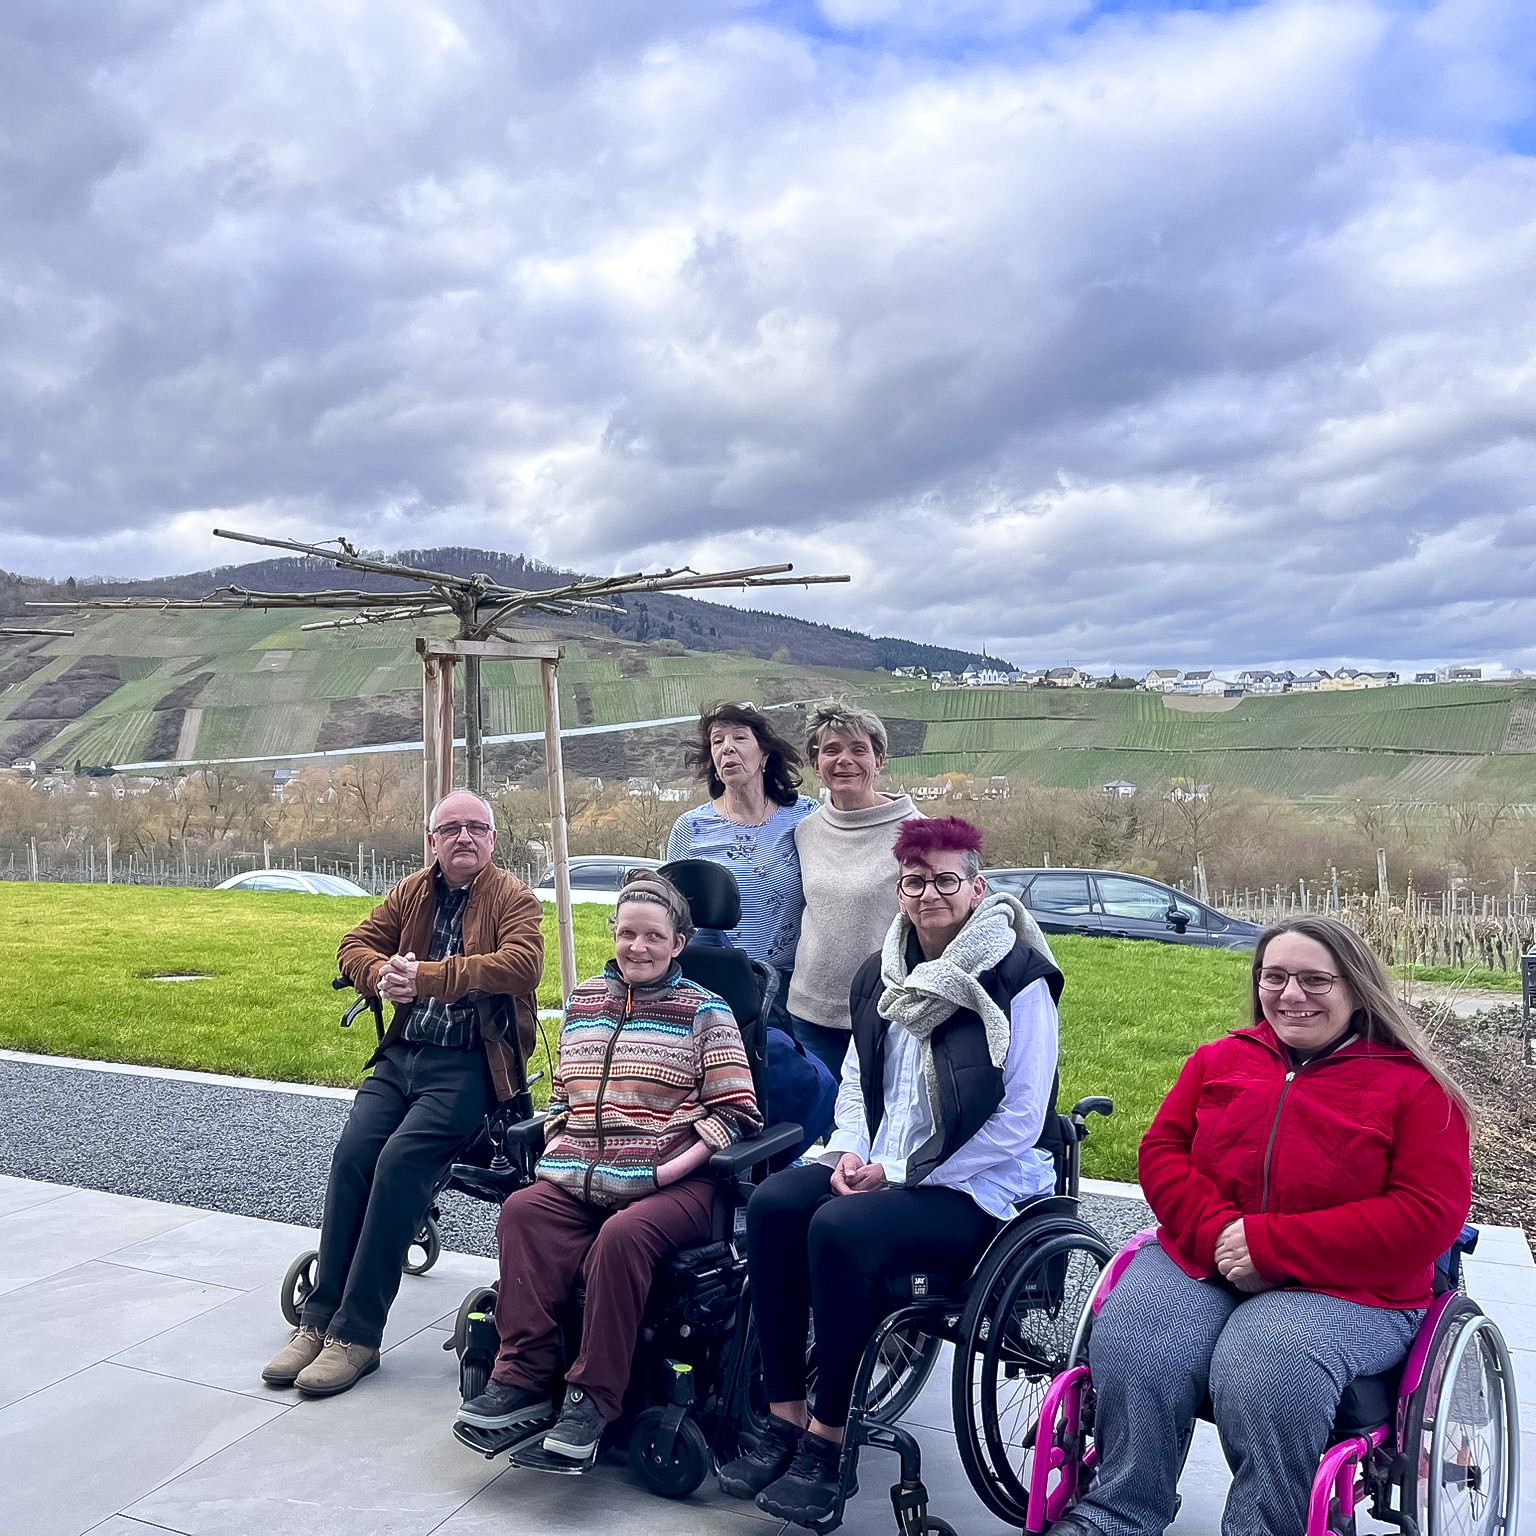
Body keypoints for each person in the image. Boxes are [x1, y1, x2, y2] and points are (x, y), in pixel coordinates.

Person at [1047, 914, 1474, 1536]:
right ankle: (1118, 1514)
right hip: (1207, 1253)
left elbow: (1426, 1214)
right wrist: (1222, 1235)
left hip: (1352, 1285)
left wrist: (1270, 1245)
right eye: (1274, 977)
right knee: (1138, 1341)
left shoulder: (1413, 1087)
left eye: (1314, 980)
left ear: (1356, 987)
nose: (1291, 995)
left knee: (1266, 1363)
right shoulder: (1222, 1060)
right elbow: (1163, 1152)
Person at [720, 816, 1063, 1525]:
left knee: (841, 1228)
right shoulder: (882, 975)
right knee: (779, 1203)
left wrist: (900, 1170)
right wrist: (847, 1149)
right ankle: (783, 1410)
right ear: (899, 889)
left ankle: (829, 1438)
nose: (928, 892)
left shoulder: (1019, 977)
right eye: (915, 880)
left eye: (945, 879)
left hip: (974, 1185)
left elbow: (1022, 1117)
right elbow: (857, 1082)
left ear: (977, 885)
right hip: (879, 1163)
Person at [454, 870, 762, 1466]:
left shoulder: (707, 1011)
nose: (637, 947)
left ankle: (593, 1399)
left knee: (622, 1238)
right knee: (522, 1212)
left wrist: (671, 1169)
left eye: (653, 936)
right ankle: (521, 1376)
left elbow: (736, 1112)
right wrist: (555, 1140)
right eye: (627, 934)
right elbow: (569, 1099)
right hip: (584, 1174)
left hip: (682, 1182)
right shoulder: (586, 1003)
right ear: (614, 936)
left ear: (679, 943)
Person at [261, 789, 544, 1398]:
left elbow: (522, 966)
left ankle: (357, 1335)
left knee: (398, 1165)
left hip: (472, 1065)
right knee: (353, 1156)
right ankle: (318, 1320)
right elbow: (354, 944)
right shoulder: (411, 891)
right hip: (402, 1055)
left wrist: (428, 977)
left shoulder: (513, 897)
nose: (464, 837)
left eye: (476, 828)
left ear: (492, 840)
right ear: (432, 841)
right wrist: (379, 973)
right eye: (451, 829)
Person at [787, 700, 923, 1080]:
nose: (844, 759)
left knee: (882, 1124)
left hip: (889, 1010)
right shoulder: (805, 832)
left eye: (858, 749)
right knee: (825, 1128)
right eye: (831, 750)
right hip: (810, 1014)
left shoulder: (918, 833)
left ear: (879, 761)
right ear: (816, 765)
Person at [665, 703, 819, 1001]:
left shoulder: (806, 815)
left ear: (764, 754)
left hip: (793, 987)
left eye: (740, 737)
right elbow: (672, 917)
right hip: (715, 988)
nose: (727, 748)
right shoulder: (690, 828)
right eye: (717, 741)